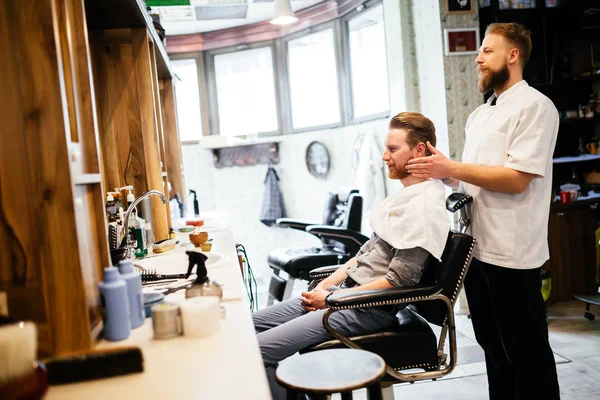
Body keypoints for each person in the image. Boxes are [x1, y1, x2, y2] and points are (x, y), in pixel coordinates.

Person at [405, 22, 560, 399]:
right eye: (479, 52)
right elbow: (476, 179)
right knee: (493, 346)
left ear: (513, 55)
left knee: (526, 351)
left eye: (487, 51)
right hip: (476, 249)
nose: (478, 58)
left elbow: (517, 179)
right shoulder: (480, 116)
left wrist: (453, 168)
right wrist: (444, 175)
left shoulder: (536, 107)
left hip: (513, 252)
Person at [253, 112, 450, 399]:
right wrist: (326, 285)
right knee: (245, 326)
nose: (384, 156)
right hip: (345, 295)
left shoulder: (422, 208)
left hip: (365, 309)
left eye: (393, 149)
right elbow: (363, 255)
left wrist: (332, 299)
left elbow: (399, 281)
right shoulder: (404, 199)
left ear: (419, 150)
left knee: (257, 351)